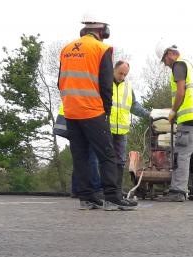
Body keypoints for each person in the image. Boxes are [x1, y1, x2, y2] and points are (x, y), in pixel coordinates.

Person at [58, 15, 136, 211]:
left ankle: (87, 197)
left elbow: (60, 81)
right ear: (103, 31)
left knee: (80, 155)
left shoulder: (66, 49)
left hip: (71, 111)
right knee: (107, 154)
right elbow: (105, 85)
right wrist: (106, 113)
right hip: (92, 110)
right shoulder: (102, 49)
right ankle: (112, 197)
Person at [154, 40, 193, 202]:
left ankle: (177, 191)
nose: (165, 64)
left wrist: (173, 111)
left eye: (164, 60)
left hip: (189, 116)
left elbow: (181, 92)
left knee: (182, 153)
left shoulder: (178, 65)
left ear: (170, 53)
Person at [110, 60, 150, 193]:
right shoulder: (104, 81)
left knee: (120, 161)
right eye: (120, 73)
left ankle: (117, 190)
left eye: (125, 74)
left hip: (121, 131)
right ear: (114, 70)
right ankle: (104, 190)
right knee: (105, 160)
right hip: (106, 128)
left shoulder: (128, 86)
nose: (122, 77)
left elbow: (133, 105)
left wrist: (148, 114)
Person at [54, 104, 102, 198]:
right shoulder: (91, 90)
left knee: (80, 158)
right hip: (85, 119)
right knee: (91, 157)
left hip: (71, 120)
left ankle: (77, 189)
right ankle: (96, 188)